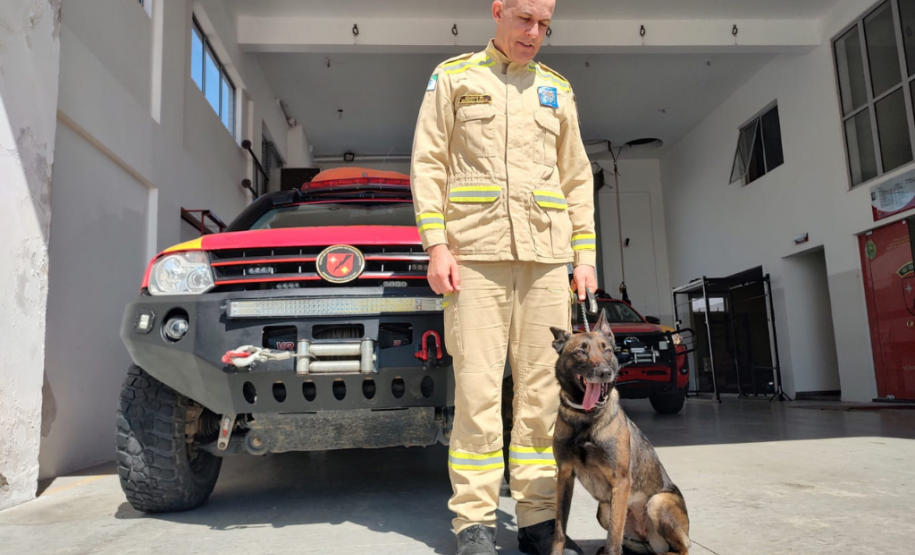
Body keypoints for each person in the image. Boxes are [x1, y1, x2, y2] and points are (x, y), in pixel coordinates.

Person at [410, 0, 597, 553]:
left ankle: (538, 519)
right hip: (474, 258)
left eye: (544, 24)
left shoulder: (557, 89)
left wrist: (584, 257)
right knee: (477, 393)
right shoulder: (454, 78)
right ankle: (474, 521)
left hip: (546, 260)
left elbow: (576, 176)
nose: (534, 33)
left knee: (542, 396)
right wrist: (436, 244)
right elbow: (428, 162)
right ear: (498, 11)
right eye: (524, 19)